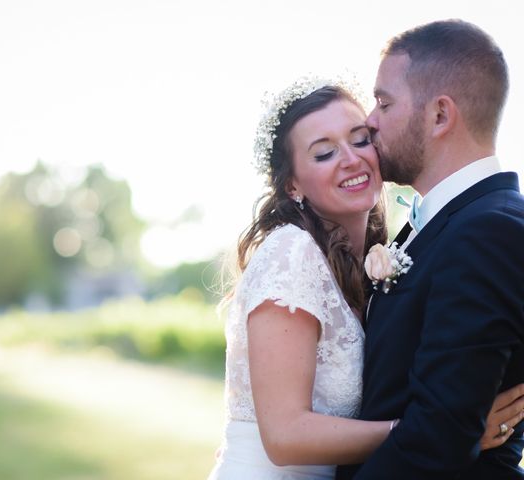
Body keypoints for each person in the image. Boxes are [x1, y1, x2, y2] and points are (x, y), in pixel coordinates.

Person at [207, 73, 523, 479]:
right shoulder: (292, 252)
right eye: (323, 153)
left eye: (359, 140)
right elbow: (284, 435)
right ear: (292, 185)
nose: (351, 159)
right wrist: (441, 433)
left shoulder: (375, 255)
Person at [336, 20, 524, 479]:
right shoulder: (445, 222)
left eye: (384, 102)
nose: (370, 120)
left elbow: (437, 440)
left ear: (440, 115)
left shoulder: (489, 231)